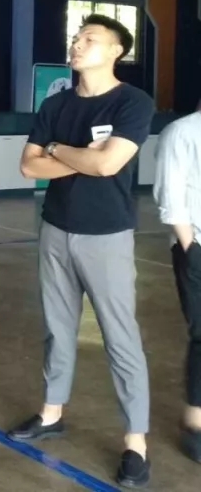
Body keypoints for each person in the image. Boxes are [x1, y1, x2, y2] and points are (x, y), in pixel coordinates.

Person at [10, 14, 154, 488]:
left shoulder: (133, 102)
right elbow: (28, 168)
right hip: (55, 228)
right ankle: (52, 413)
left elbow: (109, 164)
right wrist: (81, 158)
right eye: (75, 37)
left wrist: (56, 150)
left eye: (89, 38)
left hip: (106, 235)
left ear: (116, 50)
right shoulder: (57, 104)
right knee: (57, 328)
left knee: (120, 337)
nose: (77, 43)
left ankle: (136, 443)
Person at [155, 105, 201, 464]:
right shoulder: (182, 132)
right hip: (196, 246)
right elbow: (171, 197)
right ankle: (195, 423)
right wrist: (191, 250)